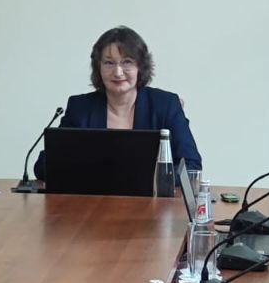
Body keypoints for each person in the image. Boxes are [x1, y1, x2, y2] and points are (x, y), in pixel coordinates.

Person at [34, 25, 202, 181]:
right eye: (109, 63)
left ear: (140, 67)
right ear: (98, 67)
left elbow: (191, 166)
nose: (118, 72)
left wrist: (145, 180)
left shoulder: (165, 105)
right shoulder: (81, 108)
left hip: (151, 200)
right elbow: (44, 166)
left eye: (127, 62)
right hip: (94, 201)